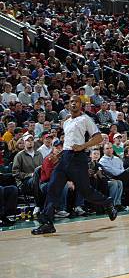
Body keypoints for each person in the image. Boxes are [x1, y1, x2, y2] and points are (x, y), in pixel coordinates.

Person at [31, 95, 117, 235]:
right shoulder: (66, 122)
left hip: (78, 158)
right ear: (69, 105)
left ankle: (107, 202)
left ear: (80, 104)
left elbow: (99, 137)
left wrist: (83, 146)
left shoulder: (85, 119)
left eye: (76, 102)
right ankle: (47, 223)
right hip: (65, 157)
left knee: (85, 191)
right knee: (53, 187)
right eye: (71, 102)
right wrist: (58, 156)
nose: (73, 104)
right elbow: (68, 143)